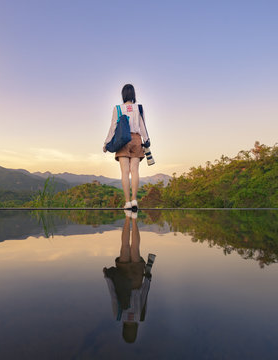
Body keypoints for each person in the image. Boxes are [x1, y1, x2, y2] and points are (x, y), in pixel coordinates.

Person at [103, 213, 156, 343]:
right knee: (125, 246)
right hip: (122, 278)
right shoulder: (118, 316)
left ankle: (134, 219)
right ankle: (128, 218)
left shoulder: (140, 317)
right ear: (124, 330)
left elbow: (144, 295)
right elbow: (114, 296)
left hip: (137, 279)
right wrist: (108, 278)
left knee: (135, 248)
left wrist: (148, 277)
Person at [103, 84, 150, 211]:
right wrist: (146, 140)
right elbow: (142, 126)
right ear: (133, 94)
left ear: (123, 95)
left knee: (124, 172)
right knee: (134, 171)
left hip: (122, 140)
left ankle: (127, 202)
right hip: (136, 139)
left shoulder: (118, 108)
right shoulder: (139, 108)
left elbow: (113, 127)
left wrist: (106, 143)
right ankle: (135, 200)